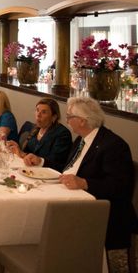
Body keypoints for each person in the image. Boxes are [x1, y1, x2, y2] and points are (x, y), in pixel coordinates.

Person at [59, 97, 137, 250]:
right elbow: (68, 168)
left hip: (104, 211)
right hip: (73, 198)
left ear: (82, 121)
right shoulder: (81, 140)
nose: (67, 119)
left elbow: (119, 186)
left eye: (69, 116)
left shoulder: (113, 145)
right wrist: (40, 161)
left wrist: (84, 183)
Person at [7, 98, 72, 171]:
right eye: (37, 110)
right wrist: (18, 149)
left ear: (54, 117)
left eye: (44, 112)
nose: (38, 115)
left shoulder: (62, 134)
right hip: (29, 170)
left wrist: (38, 160)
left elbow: (56, 163)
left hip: (47, 175)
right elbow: (27, 152)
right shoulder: (35, 129)